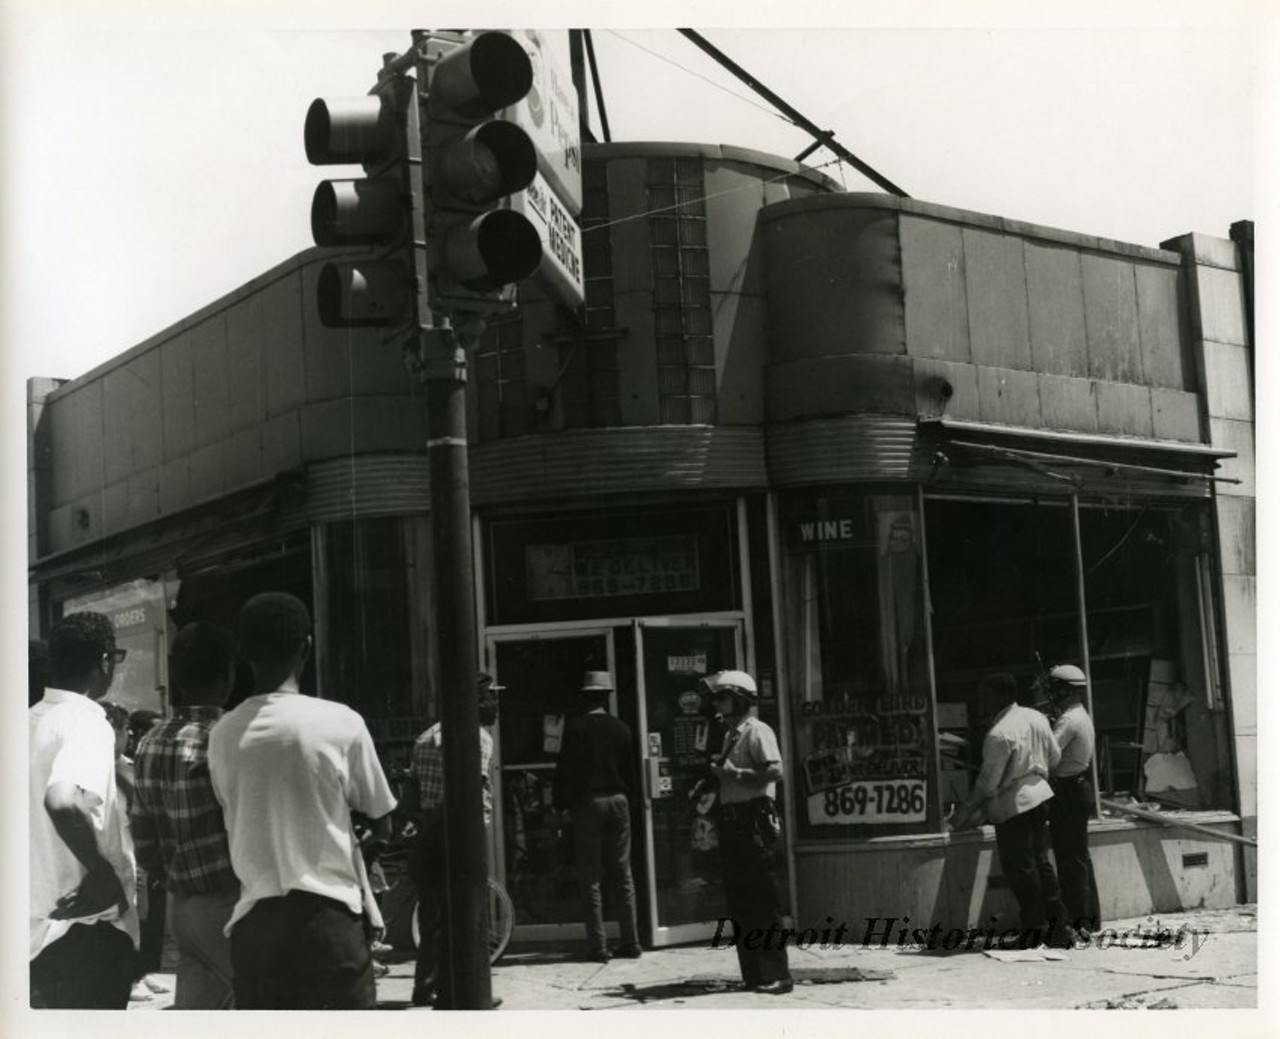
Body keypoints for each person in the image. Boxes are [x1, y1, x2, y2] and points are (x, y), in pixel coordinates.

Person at [208, 592, 397, 1009]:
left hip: (255, 926)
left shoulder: (222, 735)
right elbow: (382, 818)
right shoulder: (341, 722)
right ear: (306, 647)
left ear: (243, 653)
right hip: (329, 924)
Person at [29, 612, 140, 1008]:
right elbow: (61, 801)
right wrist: (103, 872)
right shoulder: (87, 722)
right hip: (88, 931)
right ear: (104, 661)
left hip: (37, 936)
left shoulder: (26, 724)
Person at [130, 622, 241, 1009]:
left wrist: (166, 873)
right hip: (228, 901)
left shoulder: (151, 739)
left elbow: (142, 833)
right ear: (228, 674)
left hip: (181, 905)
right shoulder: (227, 735)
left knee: (198, 1012)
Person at [952, 672, 1078, 948]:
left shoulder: (999, 734)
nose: (980, 702)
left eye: (984, 696)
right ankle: (1059, 927)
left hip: (1014, 805)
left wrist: (963, 814)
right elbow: (1055, 757)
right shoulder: (1037, 718)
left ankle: (1034, 930)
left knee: (1022, 870)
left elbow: (988, 785)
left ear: (998, 696)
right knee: (1041, 863)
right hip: (1040, 796)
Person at [407, 672, 502, 1008]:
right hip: (460, 831)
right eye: (490, 697)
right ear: (474, 702)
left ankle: (426, 985)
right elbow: (470, 790)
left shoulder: (424, 737)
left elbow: (416, 790)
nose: (495, 703)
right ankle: (464, 987)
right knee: (464, 911)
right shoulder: (477, 737)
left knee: (432, 915)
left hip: (429, 832)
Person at [702, 669, 793, 995]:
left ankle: (777, 974)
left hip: (753, 818)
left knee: (762, 900)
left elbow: (776, 771)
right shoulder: (729, 734)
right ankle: (754, 973)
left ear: (739, 698)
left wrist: (734, 774)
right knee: (740, 900)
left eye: (723, 696)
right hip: (733, 821)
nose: (718, 702)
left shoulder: (757, 731)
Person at [552, 670, 642, 964]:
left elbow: (566, 769)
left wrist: (560, 803)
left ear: (585, 697)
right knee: (622, 872)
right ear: (606, 697)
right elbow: (631, 771)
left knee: (590, 875)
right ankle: (631, 940)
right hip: (619, 800)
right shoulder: (622, 729)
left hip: (588, 802)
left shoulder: (576, 728)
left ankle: (598, 944)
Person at [1044, 663, 1102, 934]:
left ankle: (1078, 921)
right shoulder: (1080, 715)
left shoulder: (1068, 720)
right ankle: (1089, 918)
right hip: (1078, 788)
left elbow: (1049, 755)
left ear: (1066, 691)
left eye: (1055, 689)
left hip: (1067, 791)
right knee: (1079, 856)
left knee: (1069, 859)